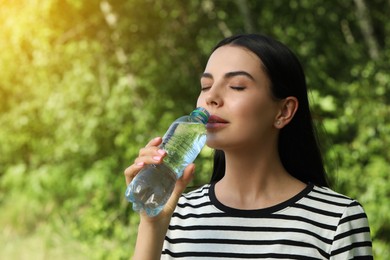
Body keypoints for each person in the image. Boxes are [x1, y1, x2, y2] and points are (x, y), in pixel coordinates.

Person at [124, 33, 373, 259]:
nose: (211, 97)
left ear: (284, 111)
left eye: (237, 86)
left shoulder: (337, 219)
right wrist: (152, 226)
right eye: (206, 86)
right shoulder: (176, 213)